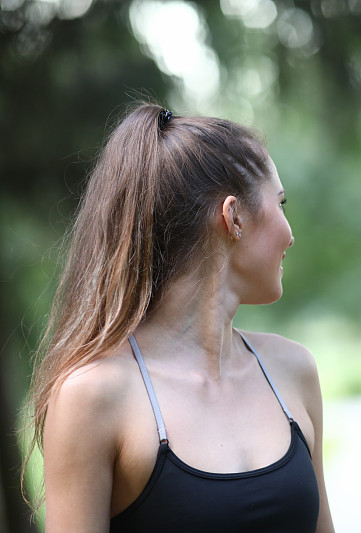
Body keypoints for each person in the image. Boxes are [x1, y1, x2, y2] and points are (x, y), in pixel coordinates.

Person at [24, 103, 335, 532]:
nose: (290, 233)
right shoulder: (93, 397)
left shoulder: (292, 370)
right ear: (234, 217)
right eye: (280, 203)